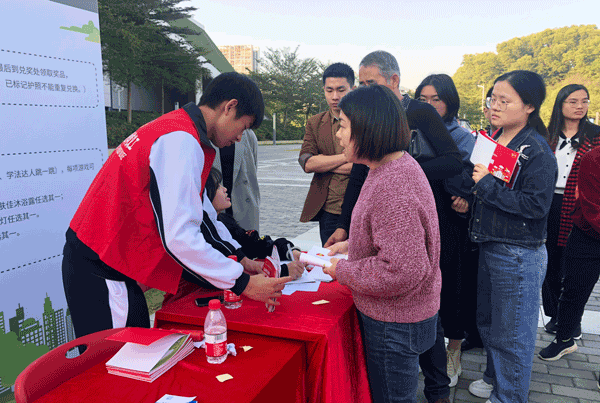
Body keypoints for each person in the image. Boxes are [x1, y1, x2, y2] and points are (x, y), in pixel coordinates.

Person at [62, 72, 291, 339]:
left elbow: (203, 216)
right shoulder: (180, 140)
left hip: (109, 263)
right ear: (230, 107)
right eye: (244, 127)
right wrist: (243, 284)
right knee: (114, 363)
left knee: (128, 355)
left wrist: (241, 260)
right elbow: (180, 236)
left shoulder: (181, 131)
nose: (240, 138)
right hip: (103, 268)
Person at [325, 51, 461, 403]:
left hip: (394, 323)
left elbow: (401, 270)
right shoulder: (388, 167)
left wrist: (345, 270)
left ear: (367, 129)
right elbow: (394, 240)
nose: (338, 134)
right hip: (404, 316)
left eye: (342, 125)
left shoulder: (392, 186)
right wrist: (353, 245)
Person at [453, 70, 557, 403]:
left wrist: (485, 185)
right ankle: (493, 378)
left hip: (518, 254)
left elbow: (536, 206)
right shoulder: (496, 138)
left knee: (514, 334)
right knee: (491, 323)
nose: (494, 106)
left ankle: (509, 395)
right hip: (491, 245)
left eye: (504, 100)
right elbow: (487, 187)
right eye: (492, 99)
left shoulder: (537, 151)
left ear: (529, 106)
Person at [415, 74, 478, 388]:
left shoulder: (462, 135)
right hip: (419, 218)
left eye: (436, 99)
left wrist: (467, 197)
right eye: (423, 99)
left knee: (451, 284)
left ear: (449, 101)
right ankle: (428, 348)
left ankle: (454, 348)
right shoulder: (411, 132)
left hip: (451, 220)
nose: (429, 105)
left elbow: (477, 175)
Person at [540, 84, 600, 341]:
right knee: (548, 261)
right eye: (573, 101)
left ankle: (570, 320)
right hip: (547, 202)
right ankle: (556, 315)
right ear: (560, 104)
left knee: (572, 266)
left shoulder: (595, 135)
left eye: (584, 101)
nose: (580, 106)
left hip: (580, 203)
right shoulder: (547, 134)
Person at [538, 145, 600, 361]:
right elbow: (592, 207)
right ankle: (564, 339)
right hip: (588, 235)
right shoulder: (593, 158)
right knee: (574, 291)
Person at [203, 167, 306, 280]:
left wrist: (289, 251)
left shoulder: (226, 222)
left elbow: (256, 245)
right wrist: (284, 271)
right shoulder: (203, 233)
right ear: (205, 195)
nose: (225, 189)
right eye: (217, 187)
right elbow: (229, 272)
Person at [299, 63, 355, 245]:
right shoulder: (315, 123)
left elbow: (363, 166)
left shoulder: (364, 121)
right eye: (329, 90)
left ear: (352, 89)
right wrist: (347, 157)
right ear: (323, 89)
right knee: (330, 264)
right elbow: (307, 163)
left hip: (358, 207)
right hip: (328, 210)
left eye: (341, 90)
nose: (335, 97)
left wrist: (325, 163)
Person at [212, 128, 260, 231]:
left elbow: (252, 173)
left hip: (244, 207)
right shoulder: (205, 131)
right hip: (214, 209)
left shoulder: (248, 135)